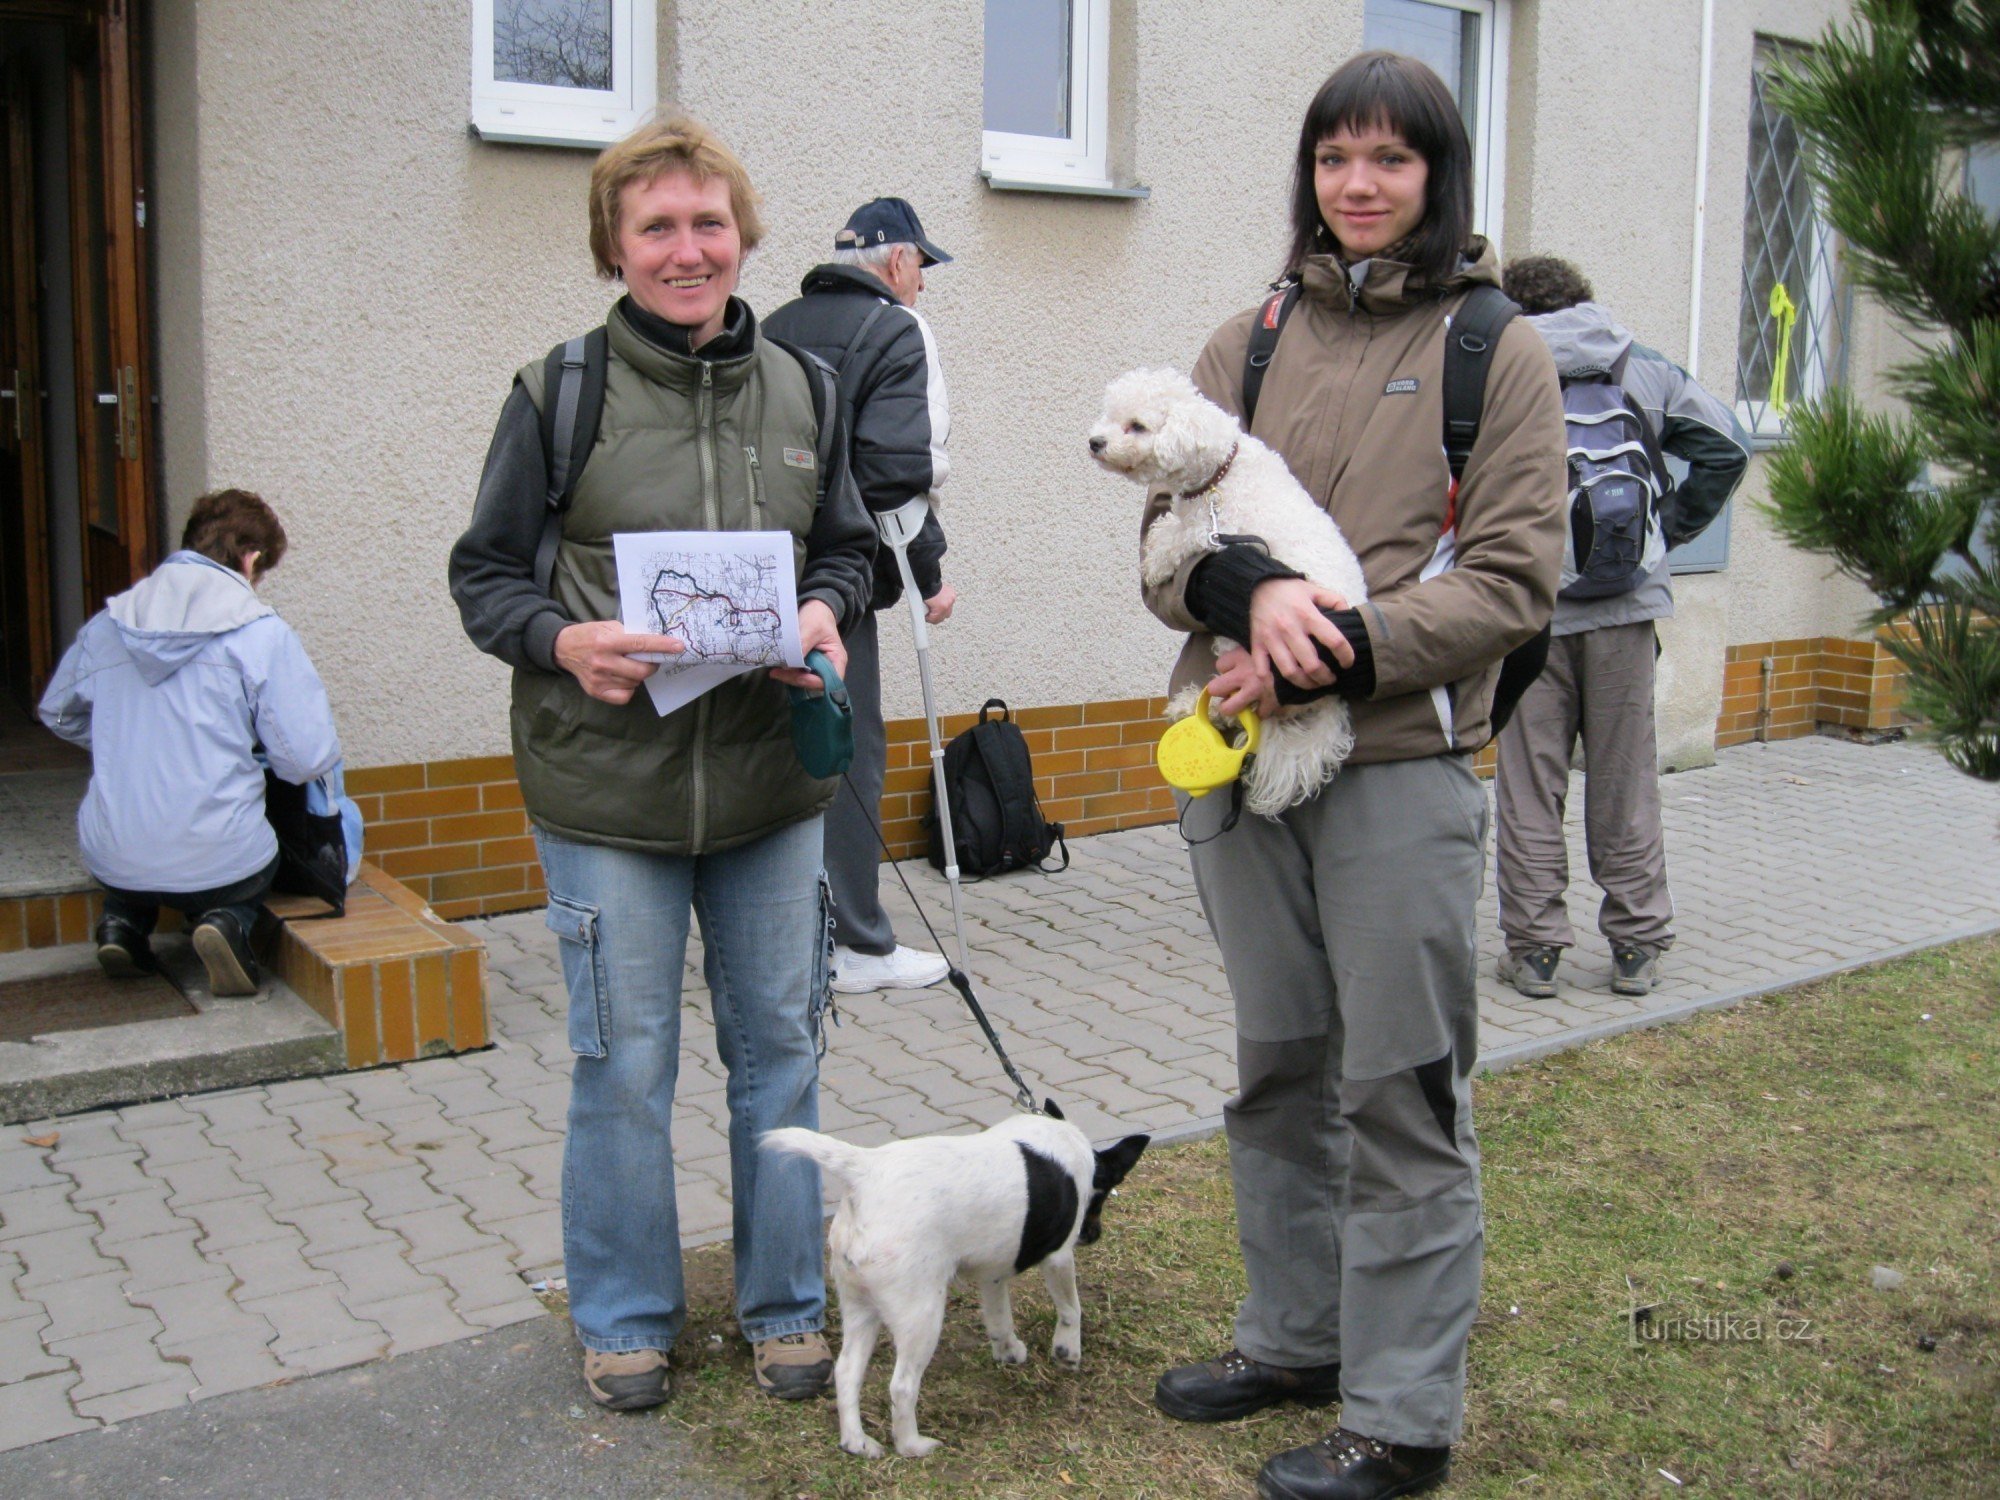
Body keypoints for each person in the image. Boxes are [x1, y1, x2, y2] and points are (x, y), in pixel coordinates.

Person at [1140, 53, 1567, 1500]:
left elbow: (1514, 583)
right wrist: (1243, 590)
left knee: (1401, 1094)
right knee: (1278, 1072)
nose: (1361, 185)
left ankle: (1401, 1416)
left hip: (1399, 764)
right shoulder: (1243, 342)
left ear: (1437, 177)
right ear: (1308, 175)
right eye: (1336, 158)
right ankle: (1296, 1338)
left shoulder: (1494, 349)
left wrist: (1331, 646)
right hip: (1240, 762)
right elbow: (1164, 548)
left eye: (1391, 159)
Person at [447, 116, 875, 1411]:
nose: (687, 251)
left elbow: (850, 554)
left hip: (766, 788)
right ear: (614, 248)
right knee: (624, 1069)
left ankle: (787, 1305)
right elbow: (483, 577)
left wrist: (823, 616)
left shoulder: (807, 391)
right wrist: (563, 637)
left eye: (708, 224)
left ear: (742, 236)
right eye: (656, 228)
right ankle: (628, 1319)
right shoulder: (557, 393)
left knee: (781, 1057)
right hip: (607, 798)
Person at [1493, 255, 1751, 999]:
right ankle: (1636, 947)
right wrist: (1668, 528)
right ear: (1585, 302)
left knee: (1529, 783)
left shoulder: (1493, 367)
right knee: (1626, 777)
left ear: (1513, 307)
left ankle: (1537, 949)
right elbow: (1727, 446)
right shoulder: (1642, 365)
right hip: (1630, 610)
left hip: (1527, 611)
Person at [38, 489, 346, 997]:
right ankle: (228, 922)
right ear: (250, 559)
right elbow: (305, 760)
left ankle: (122, 925)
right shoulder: (261, 632)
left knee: (132, 850)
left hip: (111, 856)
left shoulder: (108, 625)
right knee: (253, 852)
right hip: (222, 859)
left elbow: (56, 711)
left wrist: (123, 738)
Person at [764, 197, 957, 995]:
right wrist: (931, 569)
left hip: (761, 569)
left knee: (775, 753)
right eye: (923, 270)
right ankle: (859, 946)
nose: (923, 288)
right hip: (837, 579)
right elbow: (894, 476)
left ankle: (778, 937)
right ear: (900, 261)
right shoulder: (897, 330)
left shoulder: (771, 323)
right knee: (848, 753)